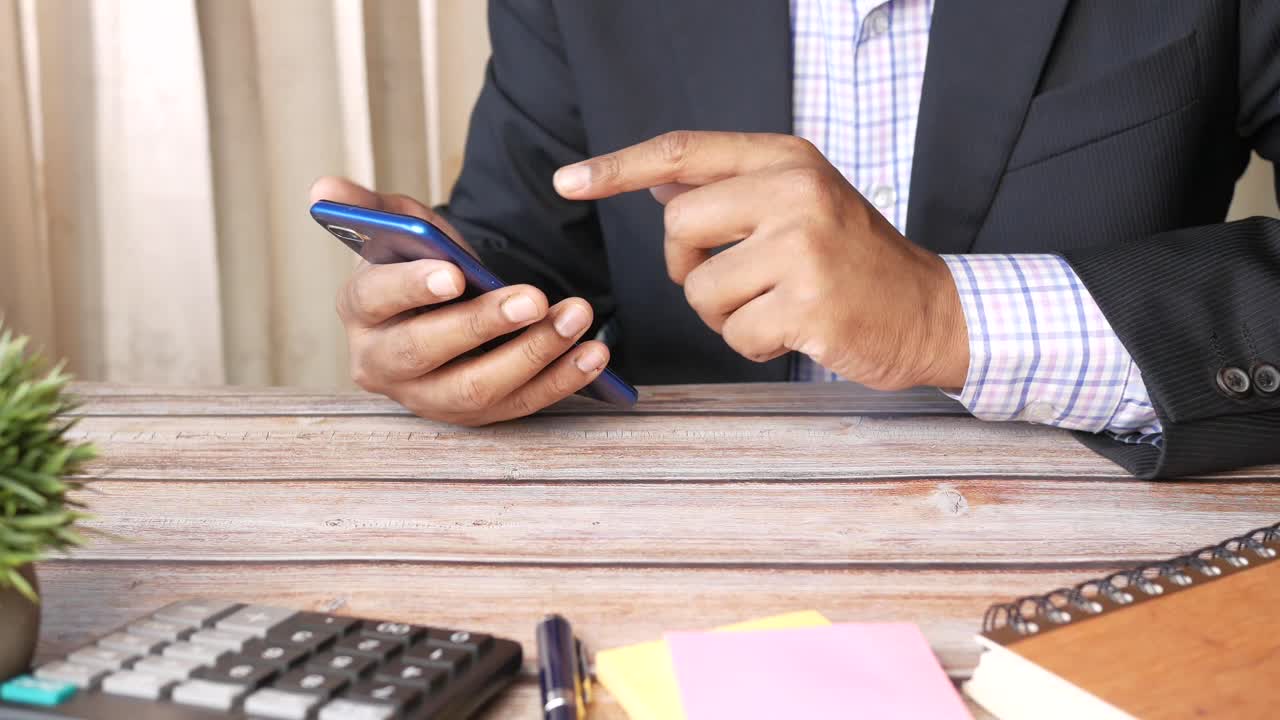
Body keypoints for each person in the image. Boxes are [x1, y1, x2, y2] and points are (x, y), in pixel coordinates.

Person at [311, 0, 1280, 479]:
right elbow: (533, 254)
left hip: (1100, 568)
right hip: (670, 561)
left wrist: (949, 315)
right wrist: (451, 326)